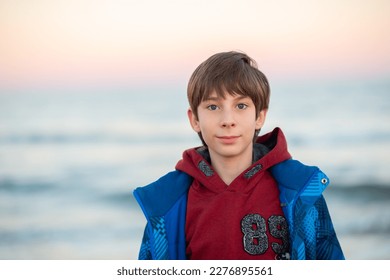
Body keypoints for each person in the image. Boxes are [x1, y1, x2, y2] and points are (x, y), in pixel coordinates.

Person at [133, 51, 345, 260]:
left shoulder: (302, 192)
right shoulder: (166, 204)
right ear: (195, 119)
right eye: (213, 106)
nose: (228, 120)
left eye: (241, 106)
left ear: (259, 117)